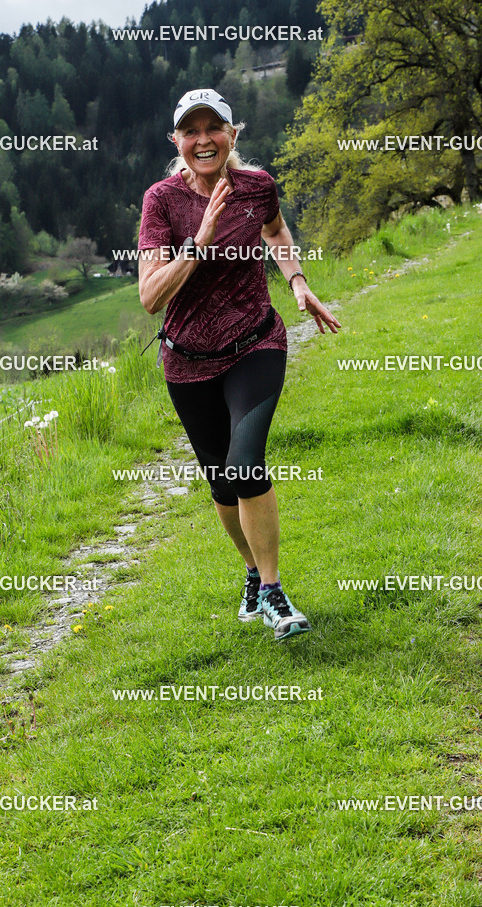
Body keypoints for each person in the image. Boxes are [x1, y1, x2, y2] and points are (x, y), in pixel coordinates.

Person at [137, 89, 340, 640]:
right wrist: (198, 241)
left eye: (214, 128)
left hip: (256, 342)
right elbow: (150, 297)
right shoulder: (161, 202)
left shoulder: (257, 186)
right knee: (224, 484)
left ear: (233, 134)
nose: (203, 140)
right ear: (176, 141)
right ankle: (252, 571)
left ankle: (273, 591)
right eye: (191, 131)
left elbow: (275, 230)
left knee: (246, 463)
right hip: (188, 363)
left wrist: (297, 281)